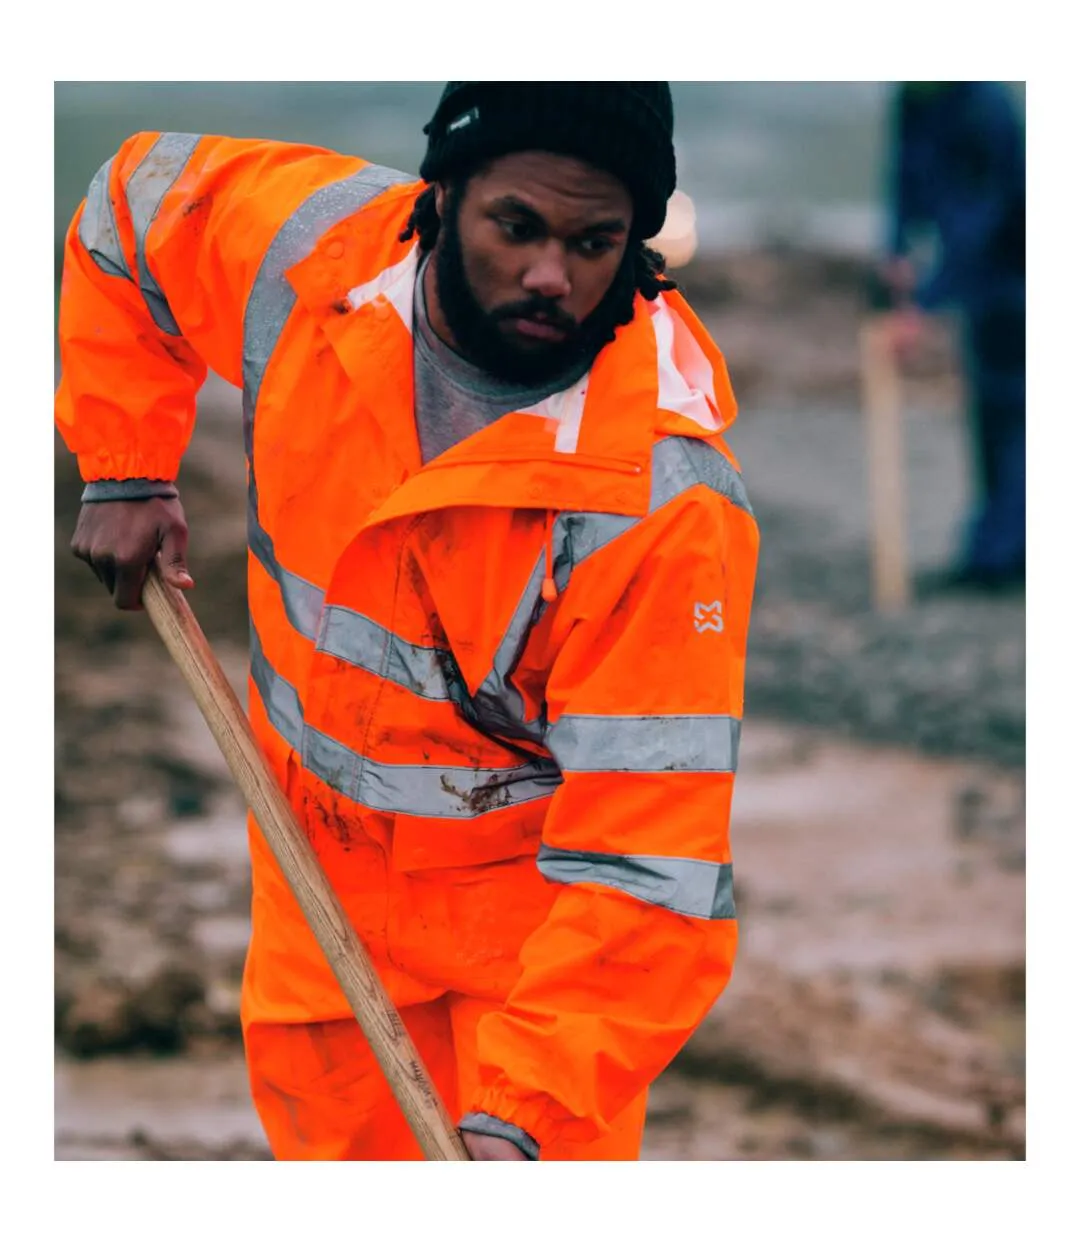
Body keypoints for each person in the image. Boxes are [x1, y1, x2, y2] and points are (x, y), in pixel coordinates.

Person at [55, 82, 759, 1161]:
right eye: (516, 226)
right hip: (315, 892)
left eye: (595, 241)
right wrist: (124, 466)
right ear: (443, 194)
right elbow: (126, 214)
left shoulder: (661, 506)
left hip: (525, 970)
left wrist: (526, 1116)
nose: (549, 275)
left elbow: (648, 867)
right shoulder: (313, 254)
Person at [881, 81, 1026, 592]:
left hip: (1017, 271)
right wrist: (895, 252)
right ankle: (1003, 548)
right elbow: (902, 180)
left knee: (1016, 414)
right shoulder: (912, 99)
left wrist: (923, 301)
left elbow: (985, 212)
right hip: (980, 283)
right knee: (990, 413)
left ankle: (1002, 556)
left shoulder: (985, 106)